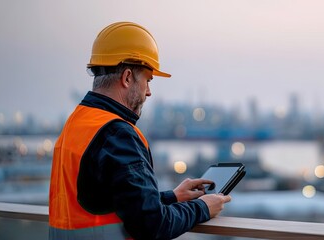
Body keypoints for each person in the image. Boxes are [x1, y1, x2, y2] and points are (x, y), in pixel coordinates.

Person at [48, 21, 231, 240]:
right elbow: (152, 224)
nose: (149, 92)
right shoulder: (117, 134)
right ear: (127, 78)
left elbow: (107, 203)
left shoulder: (76, 123)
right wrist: (202, 207)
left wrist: (173, 197)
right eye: (147, 80)